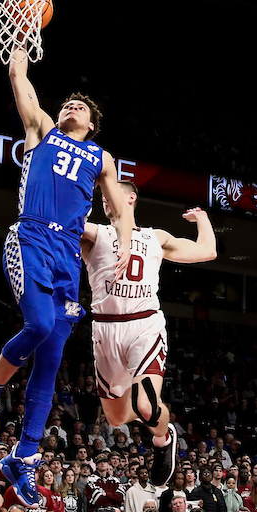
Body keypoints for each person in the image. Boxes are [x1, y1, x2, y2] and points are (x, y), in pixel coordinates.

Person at [0, 48, 133, 509]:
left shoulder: (101, 157)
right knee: (38, 326)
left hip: (67, 256)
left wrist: (123, 246)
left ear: (93, 124)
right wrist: (20, 42)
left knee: (52, 359)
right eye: (68, 104)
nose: (71, 107)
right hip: (31, 237)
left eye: (81, 107)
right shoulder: (41, 128)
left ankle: (25, 456)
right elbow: (19, 78)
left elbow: (119, 209)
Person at [82, 182, 215, 487]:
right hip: (105, 329)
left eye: (110, 194)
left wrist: (202, 219)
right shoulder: (95, 233)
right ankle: (151, 422)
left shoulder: (155, 237)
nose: (105, 200)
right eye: (102, 196)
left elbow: (207, 250)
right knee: (116, 418)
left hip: (144, 324)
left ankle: (163, 437)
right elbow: (62, 225)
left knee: (146, 406)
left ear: (130, 198)